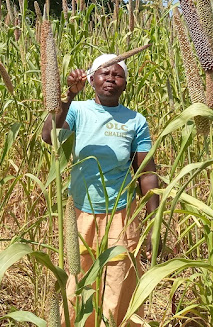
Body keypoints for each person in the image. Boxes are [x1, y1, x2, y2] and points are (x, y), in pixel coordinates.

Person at [42, 54, 160, 326]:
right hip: (81, 214)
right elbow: (49, 136)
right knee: (77, 281)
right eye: (104, 74)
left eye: (117, 75)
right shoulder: (77, 110)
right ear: (91, 79)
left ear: (125, 85)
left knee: (118, 283)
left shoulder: (135, 121)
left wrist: (154, 223)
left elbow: (147, 175)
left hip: (120, 216)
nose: (110, 79)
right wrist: (69, 95)